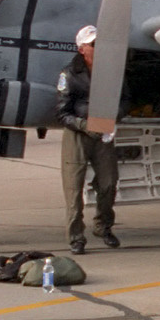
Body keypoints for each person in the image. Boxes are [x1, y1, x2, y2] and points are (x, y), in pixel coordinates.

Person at [58, 25, 120, 254]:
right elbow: (62, 113)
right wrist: (85, 125)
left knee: (108, 182)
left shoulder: (111, 72)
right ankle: (76, 237)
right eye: (94, 44)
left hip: (103, 132)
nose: (100, 48)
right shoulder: (70, 74)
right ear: (83, 49)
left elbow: (124, 98)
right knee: (74, 189)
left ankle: (103, 226)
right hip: (77, 134)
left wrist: (113, 117)